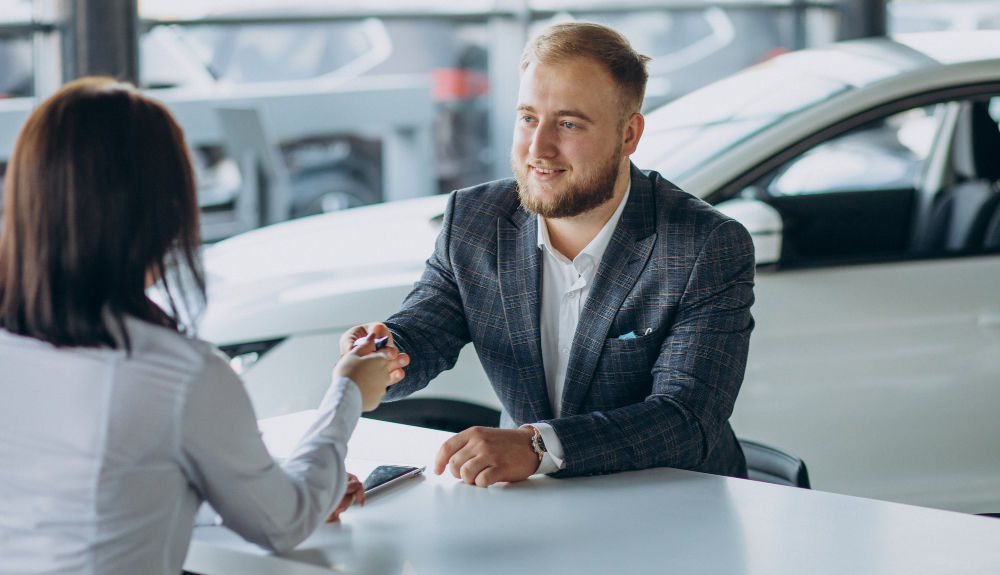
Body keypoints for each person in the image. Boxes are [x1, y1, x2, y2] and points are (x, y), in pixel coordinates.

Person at [0, 78, 407, 574]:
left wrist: (264, 486)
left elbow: (103, 490)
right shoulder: (178, 374)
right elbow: (283, 522)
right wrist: (346, 395)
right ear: (160, 210)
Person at [341, 22, 755, 487]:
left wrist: (538, 446)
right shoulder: (475, 219)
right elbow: (424, 331)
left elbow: (687, 420)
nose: (539, 148)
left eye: (569, 123)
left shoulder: (705, 245)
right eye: (528, 118)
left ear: (628, 135)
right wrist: (386, 353)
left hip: (676, 506)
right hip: (537, 503)